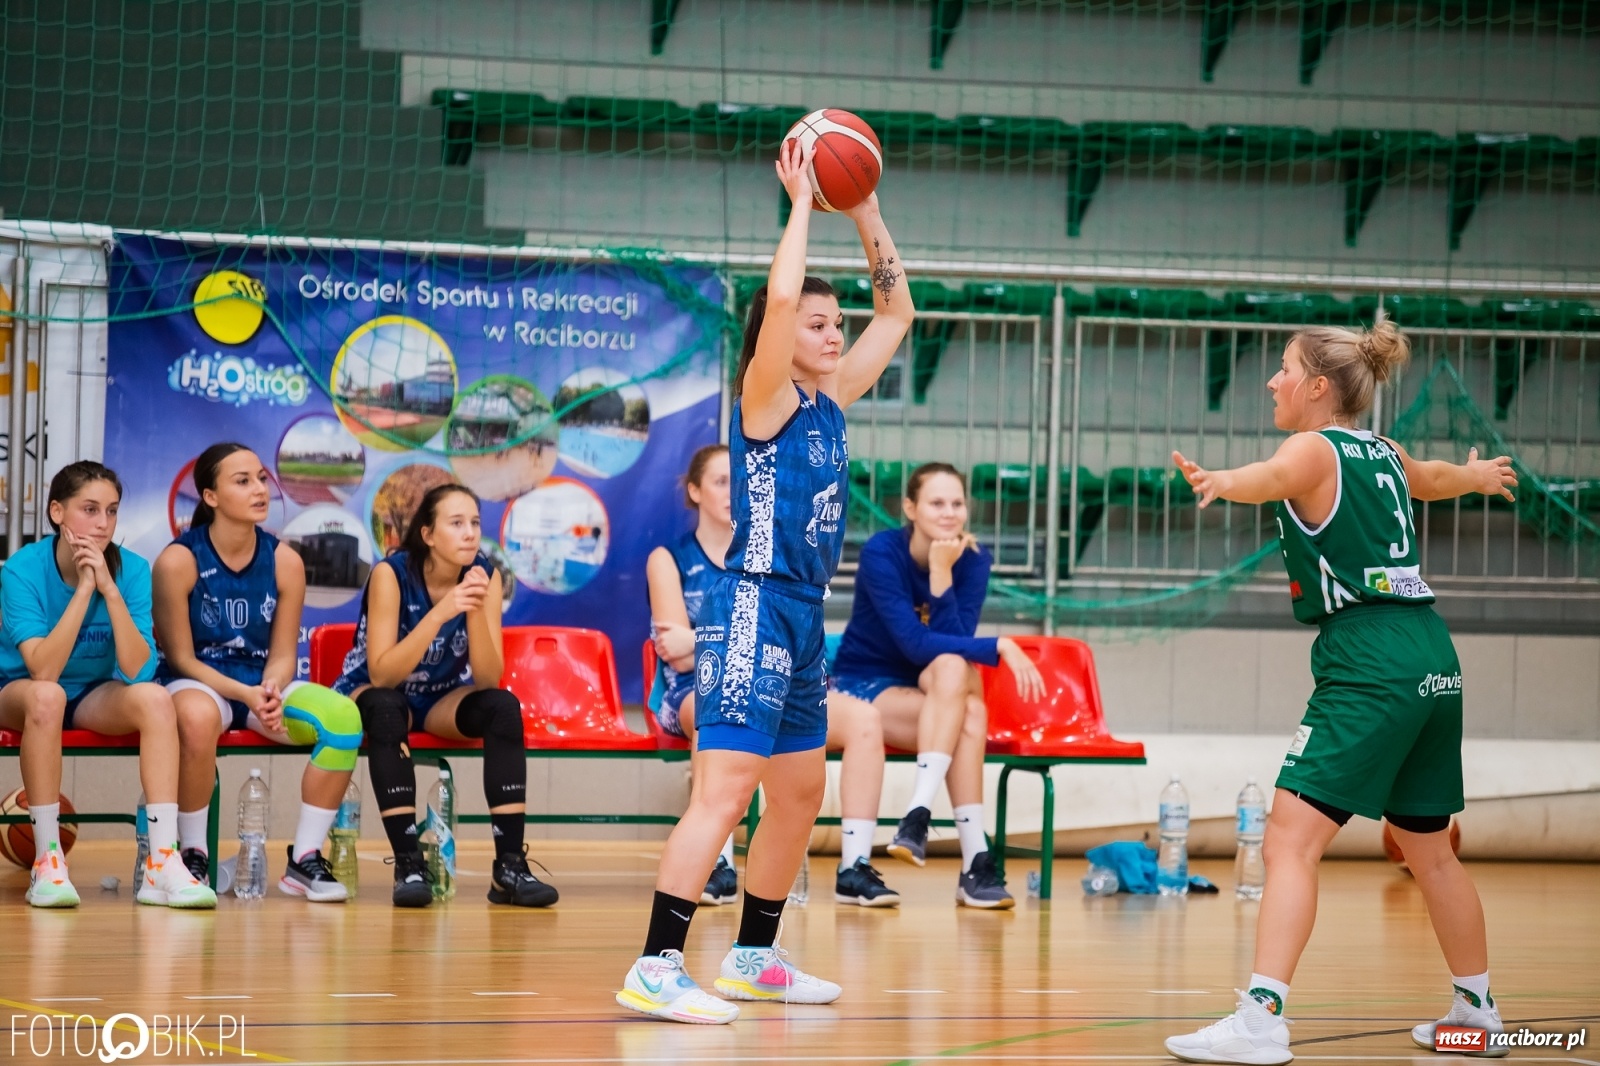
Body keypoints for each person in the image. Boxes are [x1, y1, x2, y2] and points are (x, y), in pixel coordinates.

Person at [1162, 318, 1517, 1065]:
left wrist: (1223, 482)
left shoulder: (1312, 447)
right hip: (1431, 654)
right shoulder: (1382, 451)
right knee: (1430, 850)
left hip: (1370, 656)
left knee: (1291, 836)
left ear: (1318, 387)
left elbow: (1274, 478)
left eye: (1284, 369)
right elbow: (1435, 478)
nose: (1272, 381)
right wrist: (1478, 477)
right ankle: (1477, 1011)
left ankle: (1260, 1019)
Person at [617, 139, 915, 1024]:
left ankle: (752, 954)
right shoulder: (766, 396)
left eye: (833, 326)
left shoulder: (833, 400)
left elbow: (897, 316)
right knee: (728, 787)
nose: (834, 334)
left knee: (798, 794)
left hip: (802, 617)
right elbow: (782, 296)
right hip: (750, 603)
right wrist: (801, 203)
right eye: (820, 326)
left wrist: (863, 213)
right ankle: (657, 964)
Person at [648, 444, 892, 908]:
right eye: (719, 481)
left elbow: (689, 640)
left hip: (777, 679)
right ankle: (718, 863)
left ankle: (854, 865)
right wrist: (700, 644)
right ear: (695, 491)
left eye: (736, 480)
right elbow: (676, 655)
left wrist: (696, 636)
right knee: (711, 709)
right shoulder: (670, 557)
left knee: (864, 720)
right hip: (695, 686)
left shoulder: (777, 553)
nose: (730, 491)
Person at [0, 461, 216, 909]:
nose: (103, 524)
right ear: (57, 512)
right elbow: (43, 670)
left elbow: (138, 671)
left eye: (112, 511)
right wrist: (83, 590)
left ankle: (162, 861)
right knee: (47, 696)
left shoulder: (133, 570)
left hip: (94, 692)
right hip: (21, 690)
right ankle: (48, 861)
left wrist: (110, 591)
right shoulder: (21, 570)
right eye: (90, 510)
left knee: (157, 700)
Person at [154, 442, 364, 902]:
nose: (259, 489)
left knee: (344, 718)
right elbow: (181, 658)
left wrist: (270, 688)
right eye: (242, 480)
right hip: (196, 681)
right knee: (196, 718)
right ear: (209, 496)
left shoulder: (285, 560)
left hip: (258, 685)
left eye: (262, 479)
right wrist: (246, 695)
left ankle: (304, 859)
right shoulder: (178, 560)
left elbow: (284, 652)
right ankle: (192, 854)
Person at [830, 462, 1046, 909]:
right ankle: (974, 862)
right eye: (936, 503)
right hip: (866, 684)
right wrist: (1001, 644)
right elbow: (913, 644)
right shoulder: (881, 553)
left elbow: (955, 645)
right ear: (910, 507)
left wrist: (943, 572)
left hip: (931, 692)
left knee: (956, 679)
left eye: (957, 503)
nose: (949, 513)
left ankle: (918, 814)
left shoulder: (973, 559)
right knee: (969, 709)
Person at [334, 482, 556, 910]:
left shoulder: (484, 575)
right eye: (456, 523)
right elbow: (382, 674)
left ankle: (509, 866)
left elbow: (489, 677)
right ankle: (409, 863)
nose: (470, 533)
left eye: (475, 522)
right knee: (384, 709)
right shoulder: (391, 574)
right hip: (378, 690)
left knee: (503, 709)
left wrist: (473, 607)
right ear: (429, 535)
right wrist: (442, 611)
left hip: (437, 698)